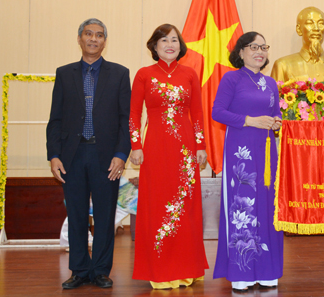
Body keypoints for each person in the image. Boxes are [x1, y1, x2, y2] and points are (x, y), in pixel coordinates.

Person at [47, 18, 131, 289]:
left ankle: (101, 270)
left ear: (105, 41)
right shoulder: (64, 73)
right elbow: (55, 119)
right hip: (72, 155)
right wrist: (54, 154)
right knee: (77, 214)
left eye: (99, 35)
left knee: (106, 215)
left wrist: (121, 153)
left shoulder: (119, 73)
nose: (93, 39)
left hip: (106, 156)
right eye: (88, 34)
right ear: (80, 39)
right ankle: (80, 269)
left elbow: (124, 119)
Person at [129, 24, 208, 289]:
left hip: (185, 150)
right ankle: (160, 268)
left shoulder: (189, 74)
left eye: (174, 40)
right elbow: (133, 115)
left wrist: (201, 147)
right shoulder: (144, 75)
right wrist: (135, 145)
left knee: (185, 207)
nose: (170, 44)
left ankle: (188, 267)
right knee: (157, 204)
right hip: (155, 147)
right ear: (154, 45)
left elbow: (197, 114)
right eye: (164, 40)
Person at [212, 31, 284, 292]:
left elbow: (275, 112)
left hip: (267, 153)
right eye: (254, 46)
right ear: (240, 52)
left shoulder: (271, 82)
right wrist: (250, 120)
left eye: (264, 47)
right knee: (243, 207)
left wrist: (277, 121)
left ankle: (267, 270)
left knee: (267, 205)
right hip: (240, 152)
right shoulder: (231, 79)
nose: (260, 51)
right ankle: (241, 271)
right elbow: (217, 111)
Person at [271, 6, 324, 83]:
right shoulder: (283, 65)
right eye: (309, 23)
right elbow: (273, 94)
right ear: (299, 29)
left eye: (320, 23)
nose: (316, 28)